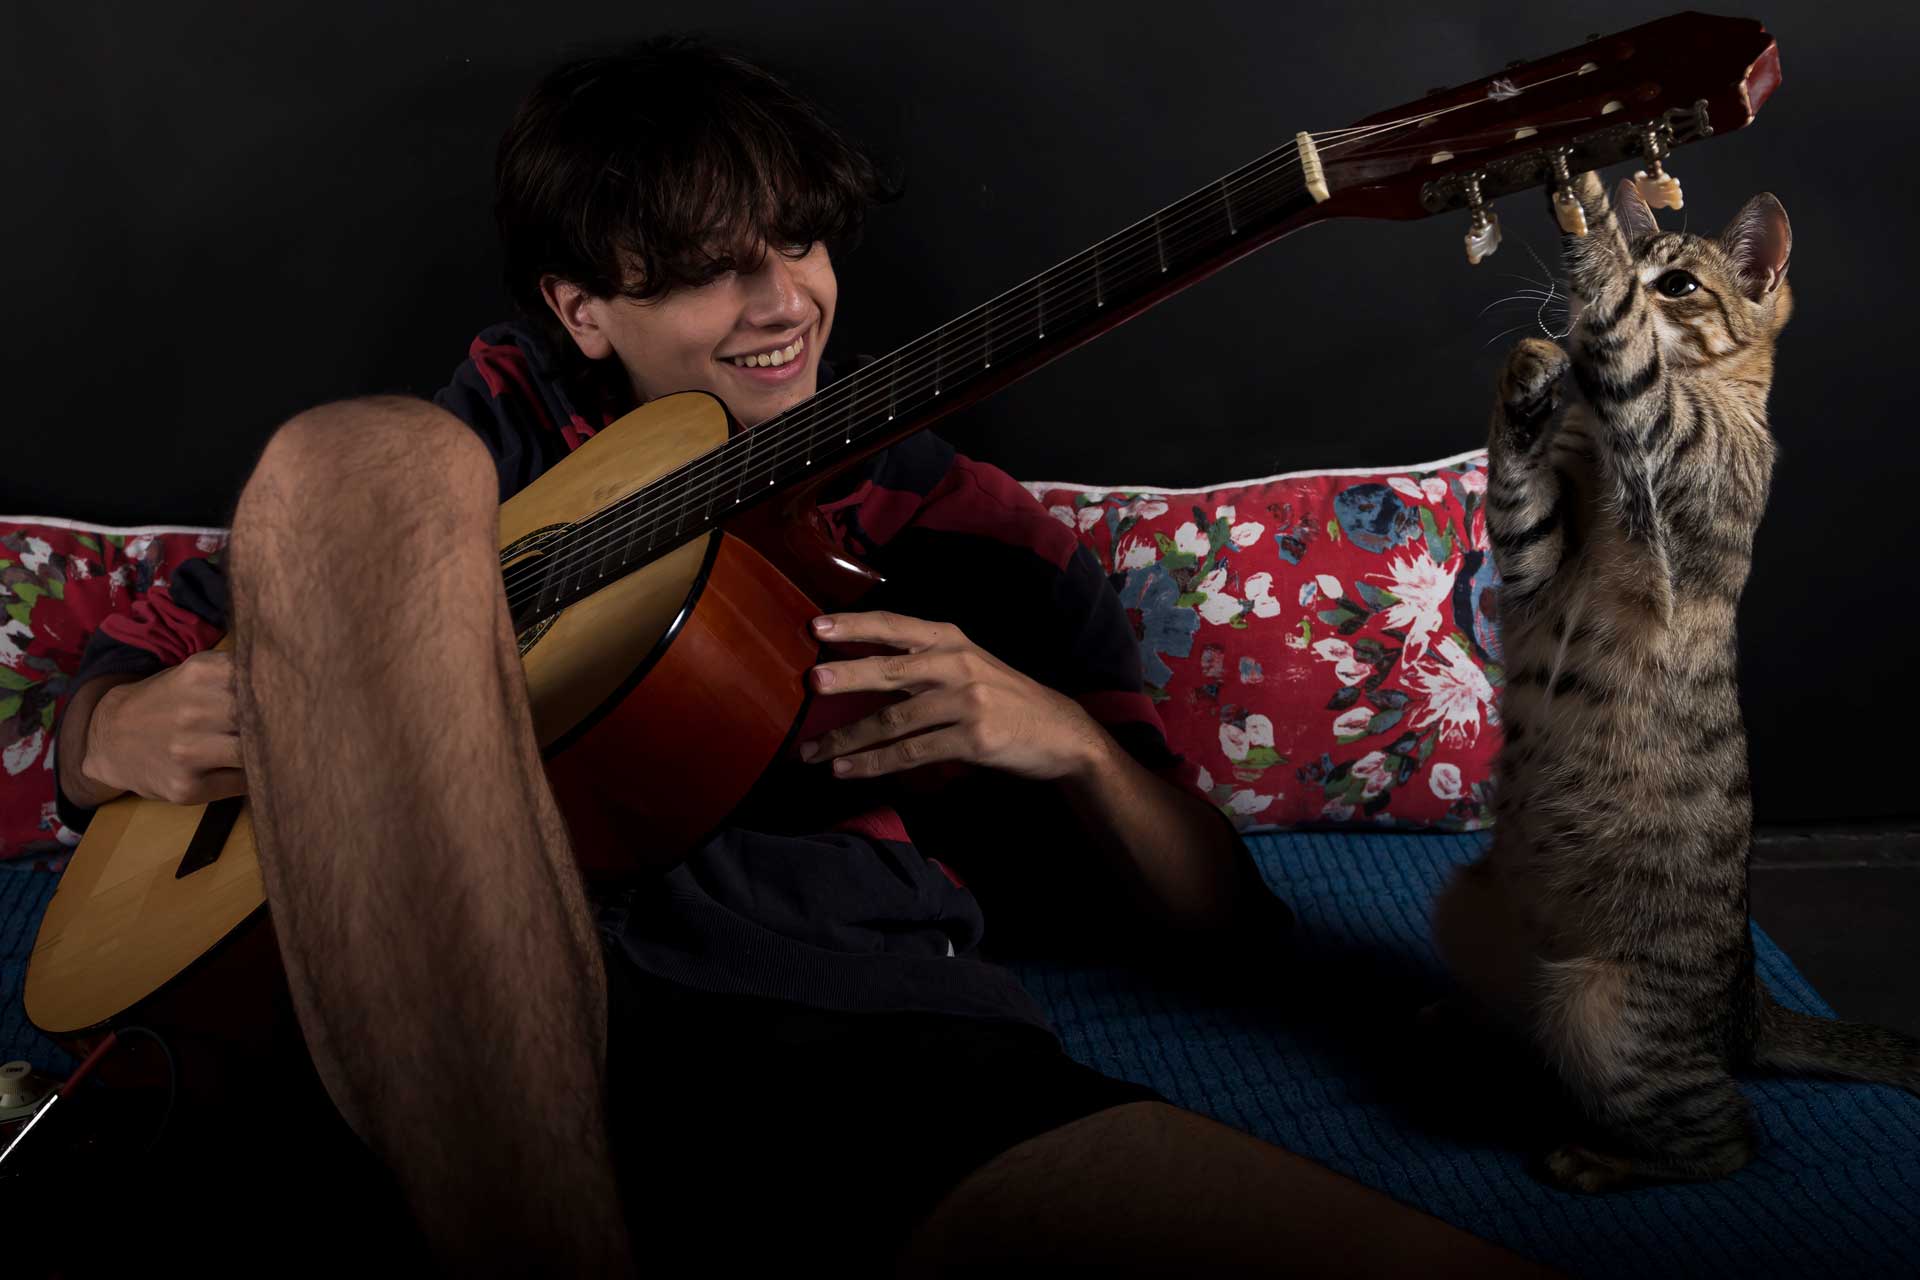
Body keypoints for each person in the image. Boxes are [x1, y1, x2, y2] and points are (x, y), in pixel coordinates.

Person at [52, 36, 1560, 1277]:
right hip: (402, 1037)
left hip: (835, 1056)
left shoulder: (963, 527)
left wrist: (1070, 744)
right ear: (583, 309)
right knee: (356, 456)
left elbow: (1222, 922)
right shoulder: (451, 462)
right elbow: (140, 667)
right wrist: (96, 735)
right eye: (710, 270)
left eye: (801, 242)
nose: (784, 301)